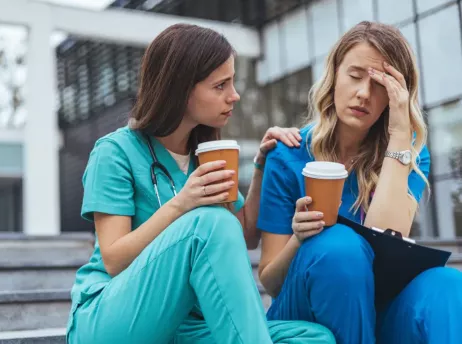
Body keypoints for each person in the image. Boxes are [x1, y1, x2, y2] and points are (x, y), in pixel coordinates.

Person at [65, 23, 335, 344]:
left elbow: (245, 235)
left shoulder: (204, 155)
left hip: (186, 326)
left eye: (232, 83)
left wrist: (262, 165)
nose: (234, 95)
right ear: (180, 89)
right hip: (111, 316)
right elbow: (113, 259)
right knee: (209, 221)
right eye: (220, 85)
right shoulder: (115, 152)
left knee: (313, 338)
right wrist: (183, 204)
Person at [256, 21, 462, 344]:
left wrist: (398, 137)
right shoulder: (287, 153)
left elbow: (385, 236)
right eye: (354, 76)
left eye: (380, 85)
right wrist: (299, 238)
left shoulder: (409, 154)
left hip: (377, 311)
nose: (364, 94)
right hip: (304, 311)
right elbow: (269, 280)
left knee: (448, 286)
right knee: (339, 248)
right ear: (334, 75)